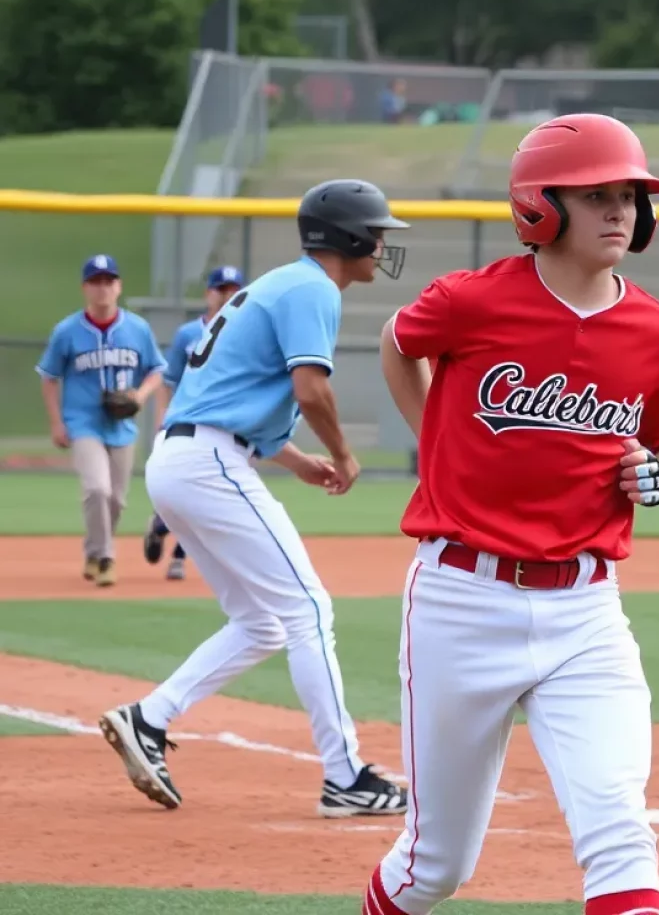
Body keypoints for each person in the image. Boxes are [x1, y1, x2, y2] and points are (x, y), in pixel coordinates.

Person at [365, 114, 659, 915]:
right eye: (596, 196)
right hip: (460, 600)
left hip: (587, 609)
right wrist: (433, 437)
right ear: (539, 207)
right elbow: (395, 339)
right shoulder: (471, 302)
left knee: (620, 830)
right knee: (434, 868)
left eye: (629, 195)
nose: (620, 211)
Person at [98, 180, 410, 817]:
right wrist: (347, 455)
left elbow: (232, 396)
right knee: (309, 609)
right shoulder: (314, 288)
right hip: (209, 461)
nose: (382, 243)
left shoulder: (281, 283)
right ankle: (345, 777)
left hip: (185, 457)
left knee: (264, 622)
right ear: (348, 238)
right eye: (375, 232)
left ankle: (148, 718)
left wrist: (294, 459)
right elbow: (310, 390)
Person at [36, 255, 166, 588]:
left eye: (109, 281)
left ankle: (93, 552)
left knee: (117, 500)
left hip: (122, 427)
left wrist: (139, 396)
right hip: (83, 423)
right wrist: (56, 423)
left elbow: (156, 370)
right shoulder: (67, 331)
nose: (103, 288)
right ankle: (106, 557)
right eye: (96, 281)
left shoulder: (137, 329)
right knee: (97, 488)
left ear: (119, 287)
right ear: (85, 288)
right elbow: (49, 377)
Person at [143, 265, 247, 581]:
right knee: (192, 493)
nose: (227, 294)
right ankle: (164, 530)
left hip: (226, 423)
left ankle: (175, 549)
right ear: (208, 294)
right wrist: (162, 419)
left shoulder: (246, 332)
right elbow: (168, 379)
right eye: (221, 289)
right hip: (185, 422)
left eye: (233, 289)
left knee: (208, 497)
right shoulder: (188, 334)